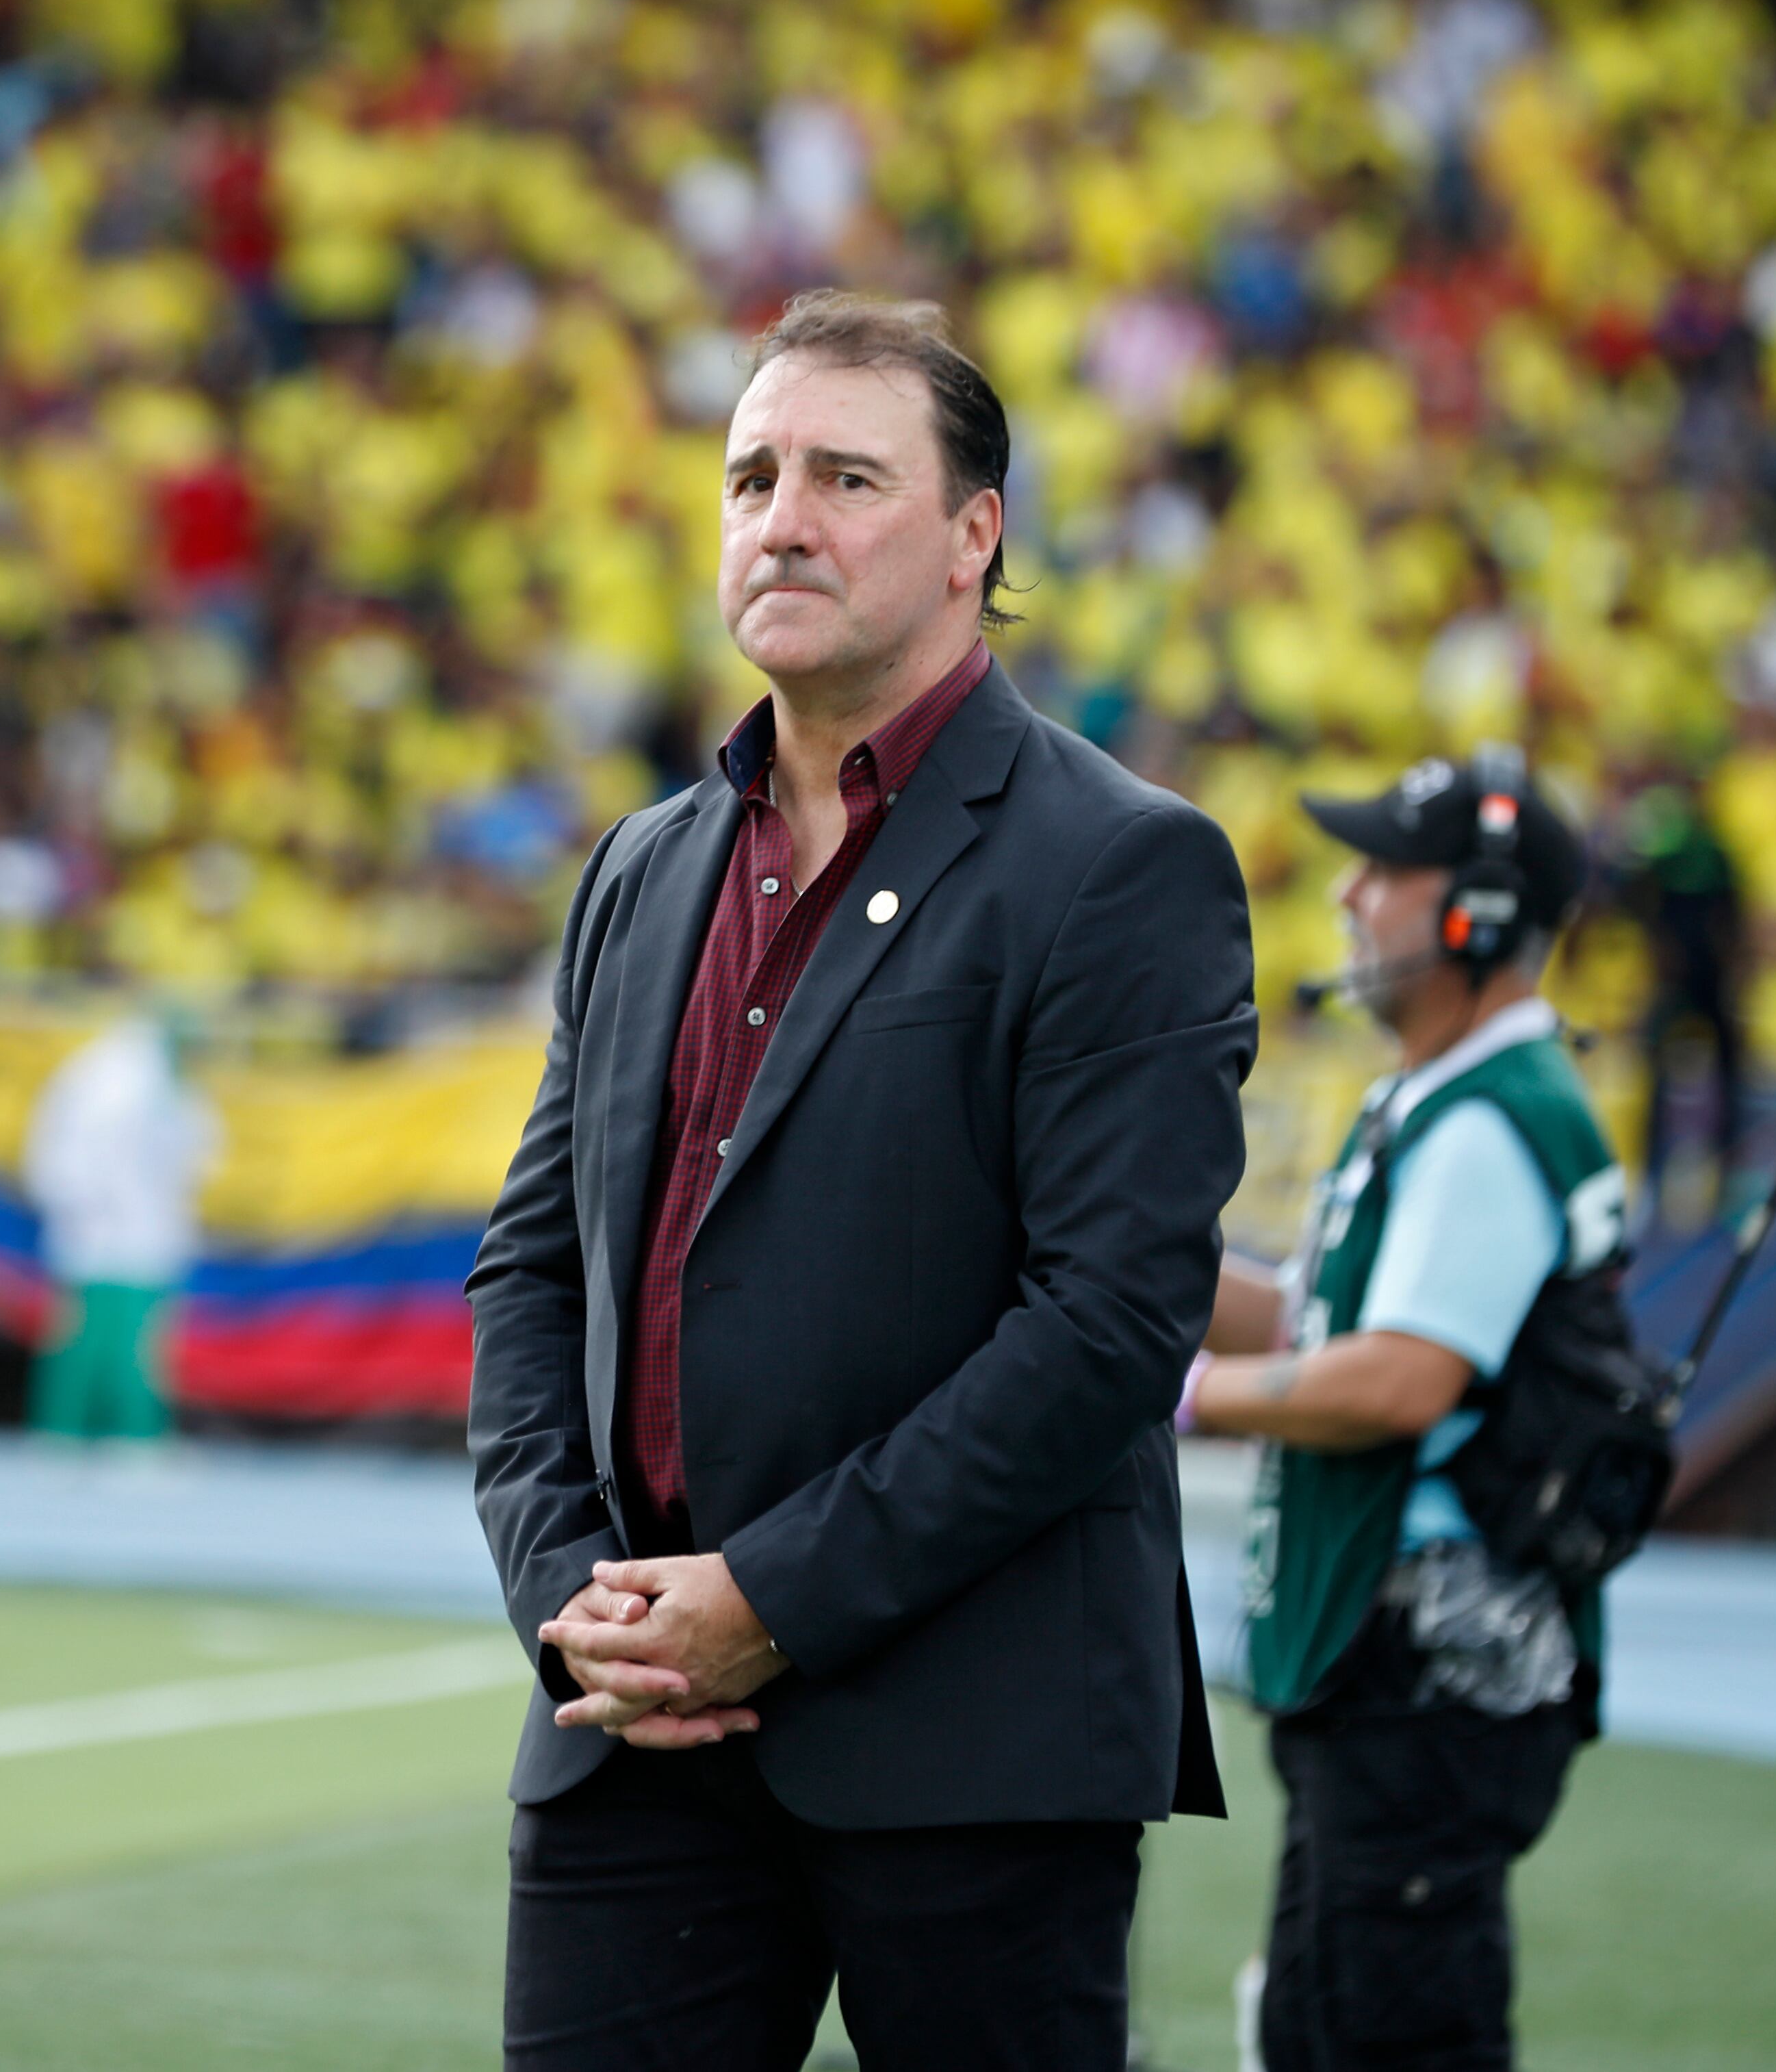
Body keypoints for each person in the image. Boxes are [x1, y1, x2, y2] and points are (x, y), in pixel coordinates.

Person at [467, 290, 1256, 2071]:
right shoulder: (642, 865)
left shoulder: (1122, 863)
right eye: (751, 477)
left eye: (845, 477)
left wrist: (769, 1599)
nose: (782, 519)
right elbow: (532, 1272)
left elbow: (1111, 1323)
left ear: (975, 534)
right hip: (632, 1724)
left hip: (973, 1737)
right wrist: (571, 1594)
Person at [1181, 748, 1625, 2072]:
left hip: (1425, 1671)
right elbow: (1315, 1322)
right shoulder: (1445, 1097)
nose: (1346, 896)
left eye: (1382, 868)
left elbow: (1395, 1378)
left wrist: (1180, 1393)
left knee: (1386, 2034)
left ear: (1474, 915)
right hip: (1395, 1668)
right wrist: (1123, 1266)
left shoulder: (1488, 1120)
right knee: (1320, 2020)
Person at [21, 1012, 218, 1439]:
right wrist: (92, 1210)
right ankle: (74, 1429)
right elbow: (71, 1158)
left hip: (142, 1235)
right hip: (100, 1231)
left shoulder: (170, 1084)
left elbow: (197, 1154)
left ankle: (130, 1433)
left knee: (140, 1347)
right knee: (92, 1344)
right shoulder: (109, 1080)